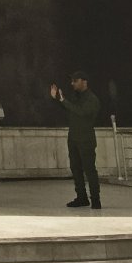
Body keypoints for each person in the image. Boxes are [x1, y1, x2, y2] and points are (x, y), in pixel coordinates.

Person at [50, 70, 101, 209]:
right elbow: (69, 109)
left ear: (84, 81)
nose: (72, 83)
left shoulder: (91, 99)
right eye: (72, 80)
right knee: (76, 168)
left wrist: (63, 100)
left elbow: (81, 112)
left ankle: (95, 200)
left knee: (89, 169)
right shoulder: (75, 97)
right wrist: (58, 99)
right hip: (73, 138)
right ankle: (81, 197)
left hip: (86, 139)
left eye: (75, 80)